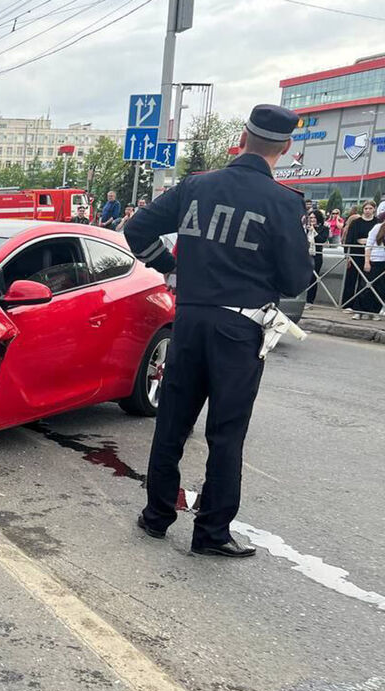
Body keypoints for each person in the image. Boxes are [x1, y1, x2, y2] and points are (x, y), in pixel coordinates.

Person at [121, 104, 311, 559]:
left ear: (242, 139)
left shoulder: (196, 186)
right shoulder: (285, 202)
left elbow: (137, 228)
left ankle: (156, 517)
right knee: (226, 433)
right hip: (240, 329)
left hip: (188, 319)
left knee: (171, 421)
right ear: (284, 148)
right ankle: (210, 534)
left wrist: (173, 267)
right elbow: (294, 282)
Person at [342, 201, 375, 311]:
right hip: (355, 254)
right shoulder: (356, 222)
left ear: (374, 209)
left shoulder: (377, 222)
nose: (368, 211)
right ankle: (347, 304)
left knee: (365, 282)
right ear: (363, 209)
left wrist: (367, 241)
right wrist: (347, 255)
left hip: (370, 256)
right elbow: (349, 239)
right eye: (366, 208)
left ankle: (360, 306)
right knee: (350, 280)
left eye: (370, 208)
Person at [355, 213, 385, 320]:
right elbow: (369, 244)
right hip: (375, 260)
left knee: (381, 288)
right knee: (366, 286)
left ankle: (374, 311)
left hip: (383, 262)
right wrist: (367, 261)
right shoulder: (377, 228)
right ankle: (359, 310)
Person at [305, 210, 329, 304]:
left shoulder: (324, 228)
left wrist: (313, 231)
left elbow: (322, 240)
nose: (312, 219)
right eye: (310, 218)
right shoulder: (306, 228)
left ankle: (310, 301)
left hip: (316, 256)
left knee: (313, 279)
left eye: (314, 217)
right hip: (305, 255)